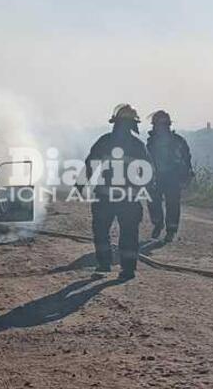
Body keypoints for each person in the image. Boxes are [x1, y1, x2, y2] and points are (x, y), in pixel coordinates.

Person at [82, 104, 151, 280]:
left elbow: (90, 164)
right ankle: (127, 269)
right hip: (128, 199)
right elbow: (148, 172)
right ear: (133, 125)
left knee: (102, 231)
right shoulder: (137, 145)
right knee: (128, 233)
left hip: (105, 197)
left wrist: (81, 184)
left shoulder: (104, 141)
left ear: (115, 122)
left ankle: (104, 264)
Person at [146, 110, 194, 243]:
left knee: (172, 203)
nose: (160, 127)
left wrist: (187, 174)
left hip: (173, 176)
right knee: (153, 201)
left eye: (163, 124)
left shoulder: (178, 141)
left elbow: (186, 158)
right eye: (158, 125)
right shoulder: (151, 142)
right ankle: (158, 224)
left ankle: (171, 230)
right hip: (155, 177)